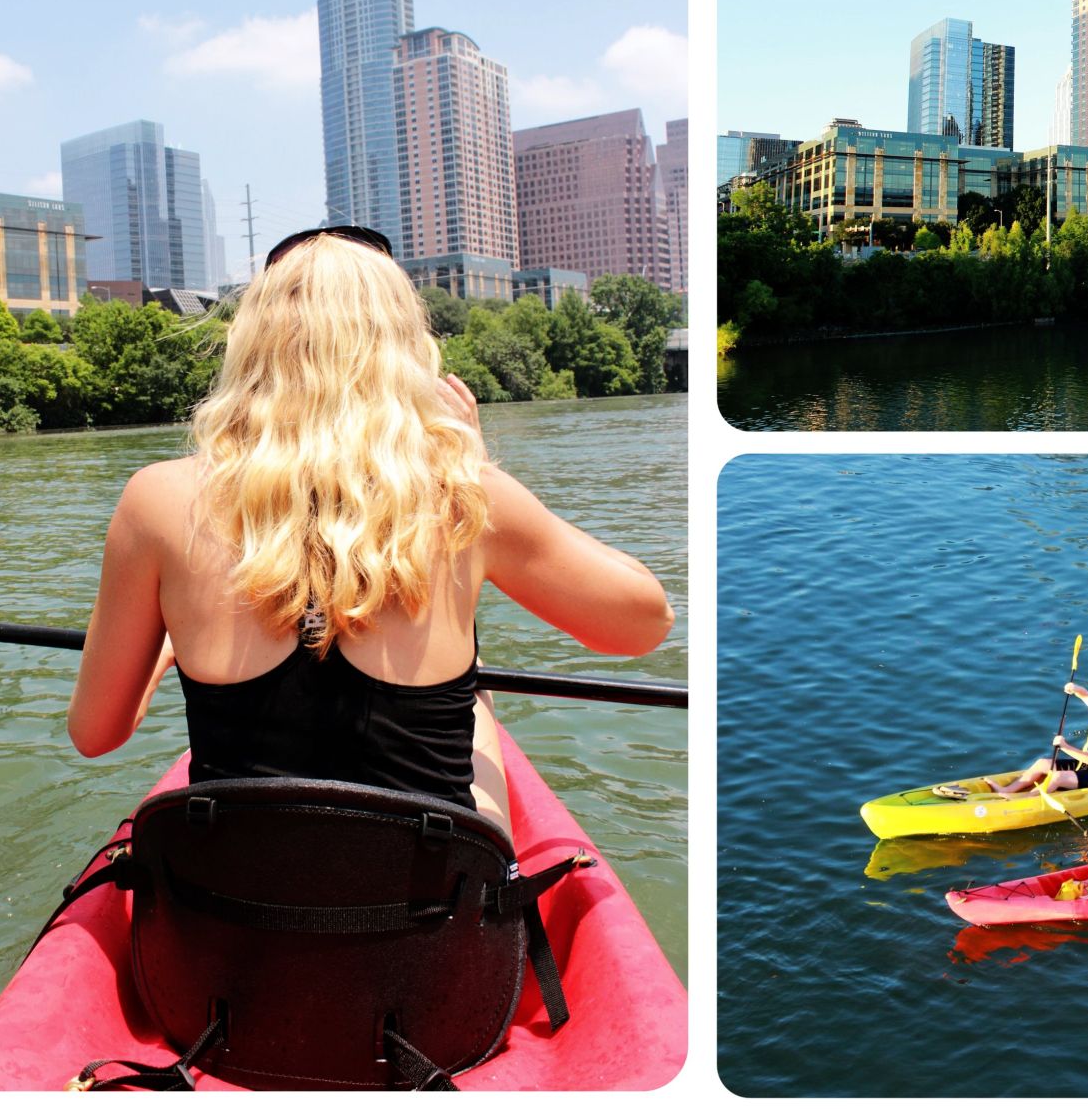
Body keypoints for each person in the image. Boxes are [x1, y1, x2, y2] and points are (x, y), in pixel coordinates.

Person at [67, 226, 675, 833]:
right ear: (402, 348)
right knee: (478, 711)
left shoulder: (156, 499)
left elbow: (94, 734)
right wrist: (476, 465)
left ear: (253, 347)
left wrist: (169, 645)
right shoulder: (463, 494)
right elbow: (646, 622)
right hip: (427, 916)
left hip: (229, 912)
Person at [976, 683, 1088, 796]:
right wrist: (1074, 688)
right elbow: (1086, 695)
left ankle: (1026, 799)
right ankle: (1007, 790)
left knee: (1057, 777)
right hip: (1087, 765)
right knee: (1042, 763)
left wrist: (1064, 746)